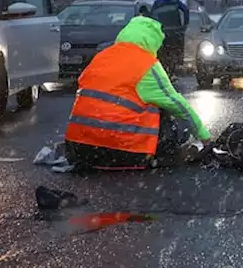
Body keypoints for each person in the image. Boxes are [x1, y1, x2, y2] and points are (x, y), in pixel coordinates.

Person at [63, 15, 212, 169]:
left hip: (80, 149)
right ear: (154, 42)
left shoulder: (101, 57)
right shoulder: (146, 64)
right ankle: (155, 155)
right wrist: (204, 137)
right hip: (124, 151)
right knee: (177, 122)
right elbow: (176, 104)